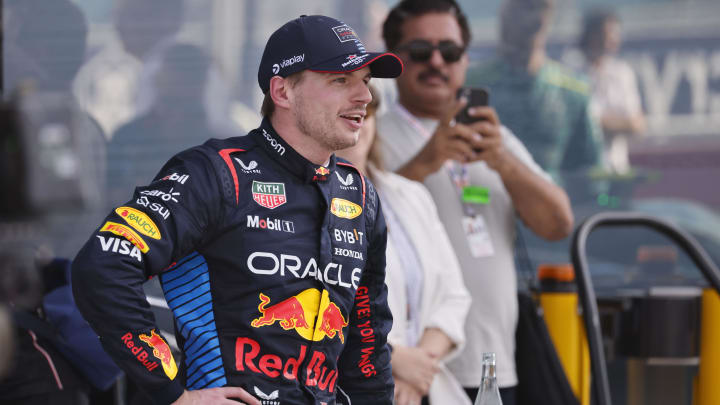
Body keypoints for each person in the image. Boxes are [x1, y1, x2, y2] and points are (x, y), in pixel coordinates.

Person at [72, 14, 403, 405]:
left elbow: (368, 340)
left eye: (365, 81)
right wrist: (173, 393)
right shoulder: (215, 173)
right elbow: (105, 264)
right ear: (282, 91)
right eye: (340, 81)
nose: (364, 96)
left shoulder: (358, 193)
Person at [378, 1, 574, 404]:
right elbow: (355, 224)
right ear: (394, 59)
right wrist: (427, 161)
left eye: (449, 52)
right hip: (414, 370)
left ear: (465, 61)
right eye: (419, 51)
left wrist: (503, 161)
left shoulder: (491, 133)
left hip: (497, 365)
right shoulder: (370, 133)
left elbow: (558, 224)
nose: (436, 61)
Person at [337, 87, 472, 405]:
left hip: (424, 389)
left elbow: (455, 296)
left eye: (368, 111)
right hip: (353, 388)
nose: (361, 120)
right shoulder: (302, 203)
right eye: (350, 112)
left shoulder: (411, 196)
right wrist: (394, 359)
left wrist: (417, 368)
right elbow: (317, 308)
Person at [466, 0, 604, 177]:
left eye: (539, 7)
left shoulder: (573, 91)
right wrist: (478, 200)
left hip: (550, 198)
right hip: (486, 197)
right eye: (522, 6)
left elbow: (591, 173)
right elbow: (460, 172)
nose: (531, 17)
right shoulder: (470, 84)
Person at [106, 43, 236, 208]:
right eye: (173, 76)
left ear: (202, 85)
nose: (178, 86)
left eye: (189, 78)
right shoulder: (126, 138)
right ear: (157, 81)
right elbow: (110, 200)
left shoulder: (223, 147)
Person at [578, 9, 646, 174]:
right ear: (591, 35)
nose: (612, 39)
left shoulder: (622, 73)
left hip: (617, 170)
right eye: (607, 34)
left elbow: (636, 124)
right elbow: (572, 125)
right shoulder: (570, 71)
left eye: (615, 34)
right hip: (581, 174)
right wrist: (616, 123)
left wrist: (596, 123)